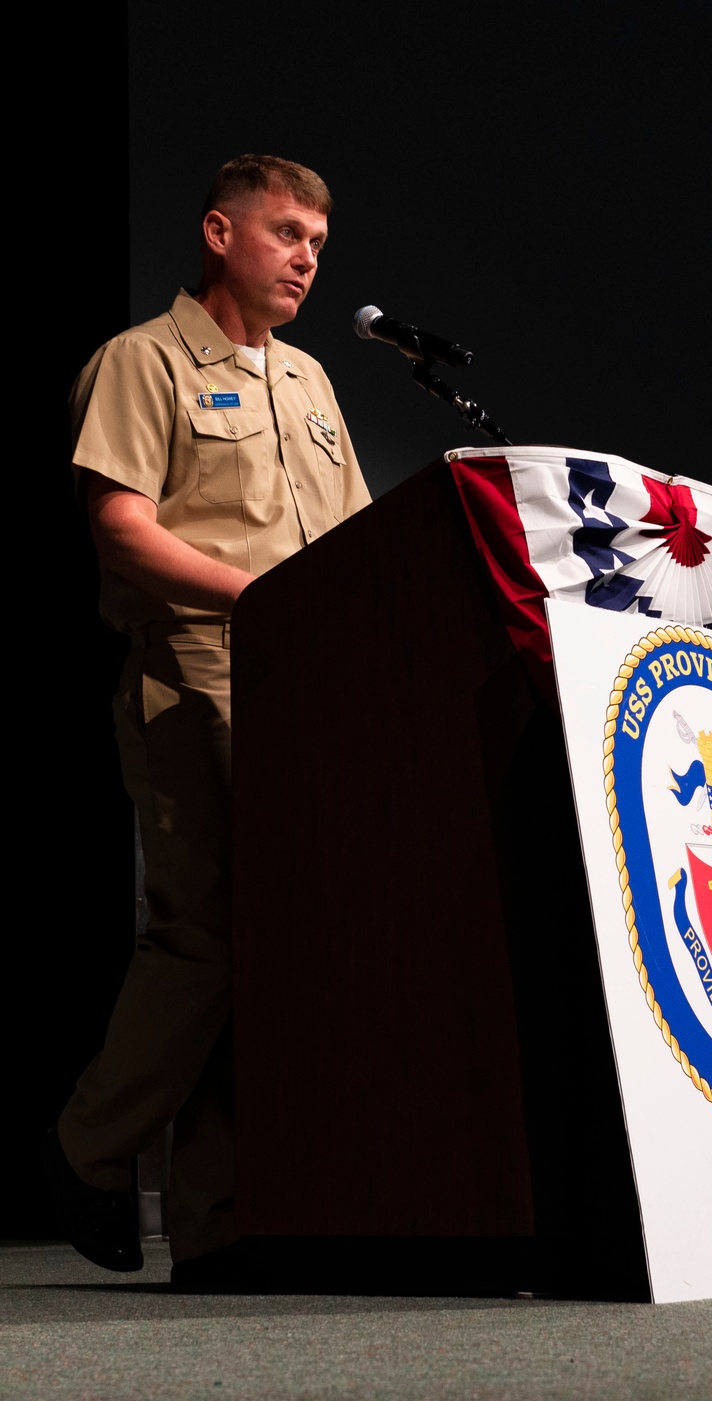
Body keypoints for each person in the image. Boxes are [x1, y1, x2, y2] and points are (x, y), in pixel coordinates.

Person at [47, 154, 370, 1290]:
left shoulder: (313, 383)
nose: (304, 259)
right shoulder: (143, 363)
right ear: (218, 233)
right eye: (285, 233)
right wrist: (259, 599)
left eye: (318, 246)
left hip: (304, 688)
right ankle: (90, 1149)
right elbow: (123, 530)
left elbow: (357, 549)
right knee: (207, 938)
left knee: (268, 949)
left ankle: (217, 1220)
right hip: (193, 671)